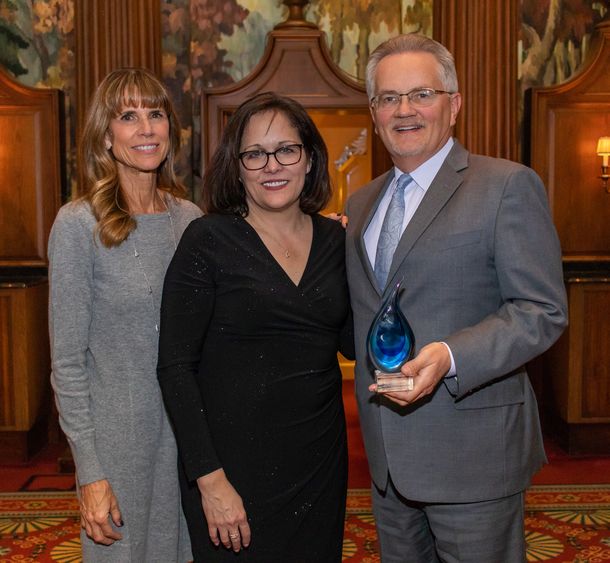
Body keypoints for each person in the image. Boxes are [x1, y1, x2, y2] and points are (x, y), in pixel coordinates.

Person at [344, 34, 568, 562]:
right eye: (388, 98)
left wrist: (449, 356)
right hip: (387, 460)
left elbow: (542, 311)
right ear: (373, 113)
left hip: (474, 455)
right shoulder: (361, 201)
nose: (404, 110)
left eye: (421, 94)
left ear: (454, 104)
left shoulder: (506, 186)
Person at [157, 91, 353, 562]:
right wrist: (210, 480)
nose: (273, 165)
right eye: (255, 154)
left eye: (287, 149)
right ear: (237, 166)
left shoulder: (336, 240)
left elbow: (351, 341)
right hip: (233, 472)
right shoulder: (207, 239)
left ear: (309, 159)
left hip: (318, 463)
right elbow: (175, 367)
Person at [48, 67, 201, 562]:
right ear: (106, 137)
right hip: (117, 444)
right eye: (128, 117)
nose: (146, 128)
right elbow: (67, 365)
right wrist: (89, 472)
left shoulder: (190, 220)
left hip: (189, 438)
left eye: (155, 114)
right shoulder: (78, 225)